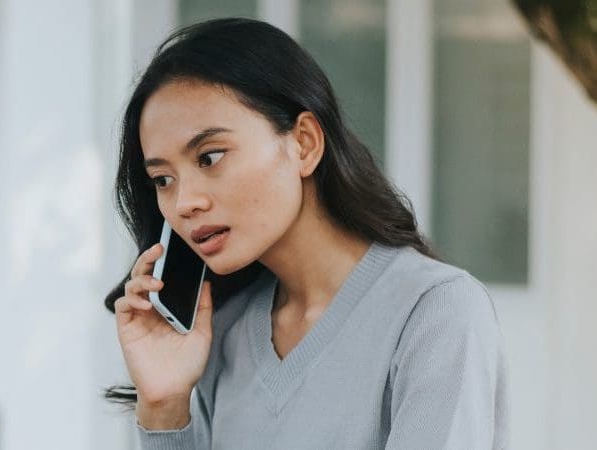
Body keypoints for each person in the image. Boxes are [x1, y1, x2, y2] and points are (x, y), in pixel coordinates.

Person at [104, 18, 508, 449]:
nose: (185, 203)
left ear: (304, 143)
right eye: (163, 180)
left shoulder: (435, 311)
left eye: (210, 157)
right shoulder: (221, 330)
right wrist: (165, 405)